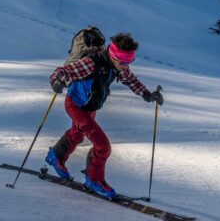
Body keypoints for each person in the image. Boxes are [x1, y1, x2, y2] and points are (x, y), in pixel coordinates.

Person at [45, 32, 164, 199]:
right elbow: (64, 71)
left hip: (89, 107)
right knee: (103, 146)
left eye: (129, 61)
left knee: (77, 135)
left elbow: (130, 80)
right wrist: (56, 80)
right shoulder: (91, 63)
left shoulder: (117, 66)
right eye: (123, 61)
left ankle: (55, 156)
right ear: (113, 56)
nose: (125, 66)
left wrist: (147, 94)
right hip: (76, 106)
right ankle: (93, 179)